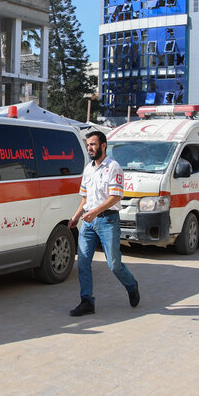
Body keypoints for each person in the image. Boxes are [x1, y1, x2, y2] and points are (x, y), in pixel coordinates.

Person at [68, 131, 140, 316]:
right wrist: (76, 216)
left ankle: (131, 285)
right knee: (83, 262)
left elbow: (115, 196)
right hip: (88, 222)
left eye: (93, 144)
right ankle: (87, 302)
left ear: (103, 145)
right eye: (88, 145)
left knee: (114, 264)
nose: (90, 148)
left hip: (108, 220)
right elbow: (85, 198)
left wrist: (93, 212)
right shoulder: (88, 169)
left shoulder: (114, 168)